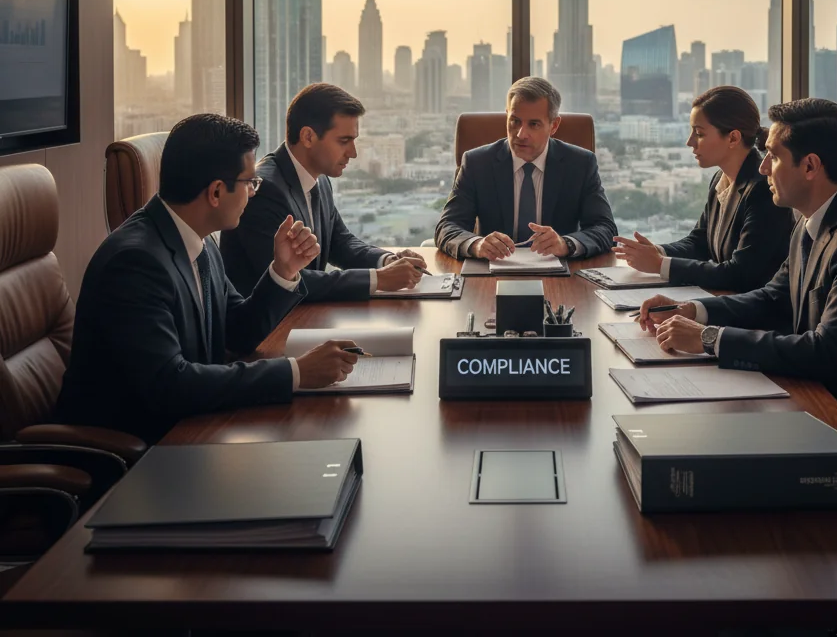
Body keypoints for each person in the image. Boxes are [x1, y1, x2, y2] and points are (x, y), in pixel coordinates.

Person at [638, 98, 837, 424]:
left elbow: (827, 352)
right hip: (818, 396)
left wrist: (709, 338)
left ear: (810, 166)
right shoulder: (811, 218)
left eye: (772, 156)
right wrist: (692, 310)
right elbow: (775, 297)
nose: (762, 167)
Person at [57, 114, 362, 443]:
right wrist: (297, 372)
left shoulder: (196, 240)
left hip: (194, 427)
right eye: (250, 183)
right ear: (216, 192)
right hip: (136, 455)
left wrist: (283, 271)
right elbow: (170, 385)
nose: (254, 193)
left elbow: (238, 330)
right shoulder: (135, 263)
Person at [221, 84, 428, 301]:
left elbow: (341, 242)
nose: (353, 153)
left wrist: (387, 261)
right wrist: (379, 279)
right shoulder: (264, 191)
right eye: (344, 141)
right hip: (269, 328)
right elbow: (290, 281)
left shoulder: (320, 178)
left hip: (302, 318)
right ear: (308, 137)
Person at [614, 86, 793, 292]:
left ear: (733, 138)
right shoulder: (721, 178)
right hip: (724, 298)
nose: (689, 142)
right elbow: (700, 242)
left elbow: (740, 273)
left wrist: (660, 264)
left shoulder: (762, 189)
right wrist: (655, 251)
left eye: (699, 133)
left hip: (750, 314)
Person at [435, 76, 616, 260]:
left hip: (561, 275)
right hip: (493, 273)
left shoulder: (580, 164)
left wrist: (566, 243)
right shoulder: (477, 163)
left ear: (554, 125)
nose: (521, 134)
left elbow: (605, 229)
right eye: (514, 121)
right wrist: (476, 244)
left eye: (534, 124)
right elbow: (447, 227)